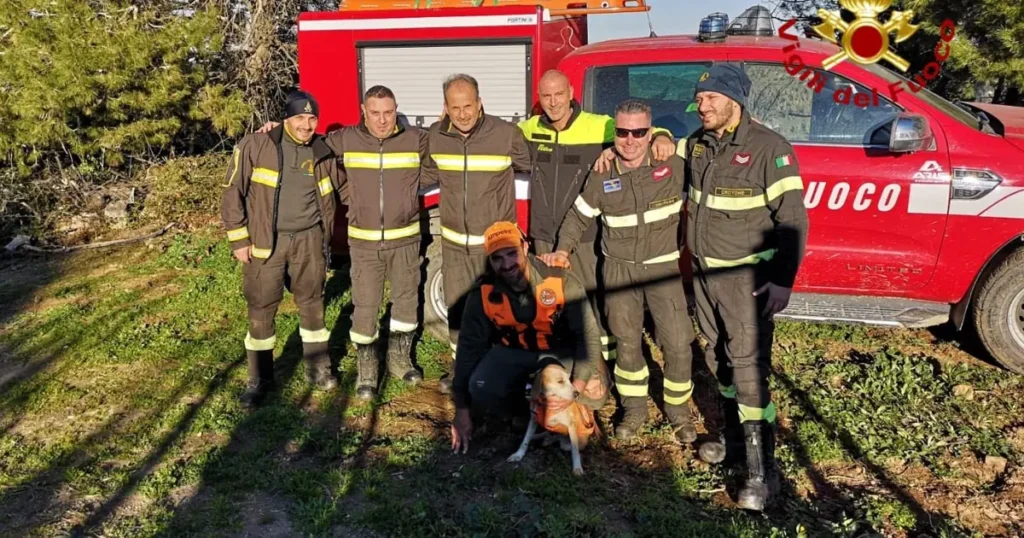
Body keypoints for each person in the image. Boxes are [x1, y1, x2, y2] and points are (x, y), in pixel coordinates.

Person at [680, 63, 809, 511]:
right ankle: (734, 443)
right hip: (706, 278)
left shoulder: (769, 148)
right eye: (699, 99)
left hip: (747, 283)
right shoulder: (698, 145)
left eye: (711, 98)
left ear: (734, 100)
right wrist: (658, 138)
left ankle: (760, 471)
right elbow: (665, 158)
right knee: (720, 361)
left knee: (750, 369)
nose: (702, 105)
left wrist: (782, 280)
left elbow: (792, 220)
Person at [541, 99, 698, 443]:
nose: (630, 140)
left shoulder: (672, 163)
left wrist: (665, 135)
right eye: (623, 132)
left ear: (650, 130)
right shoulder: (602, 173)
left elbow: (708, 145)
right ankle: (635, 408)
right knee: (626, 345)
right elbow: (578, 216)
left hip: (662, 271)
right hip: (618, 271)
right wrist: (562, 250)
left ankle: (678, 412)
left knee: (677, 345)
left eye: (639, 131)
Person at [517, 69, 677, 365]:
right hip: (544, 239)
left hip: (585, 237)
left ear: (571, 94)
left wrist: (664, 136)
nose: (553, 103)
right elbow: (498, 137)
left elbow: (636, 131)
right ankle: (566, 367)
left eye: (559, 95)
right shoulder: (528, 129)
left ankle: (607, 371)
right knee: (552, 306)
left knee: (597, 309)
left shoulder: (599, 126)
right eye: (546, 96)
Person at [221, 90, 343, 407]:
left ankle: (319, 370)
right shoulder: (256, 145)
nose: (307, 124)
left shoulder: (322, 151)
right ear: (286, 119)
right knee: (261, 310)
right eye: (300, 118)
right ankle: (259, 379)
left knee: (313, 306)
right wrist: (238, 238)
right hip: (265, 242)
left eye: (312, 118)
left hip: (309, 241)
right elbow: (232, 191)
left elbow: (344, 185)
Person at [450, 221, 610, 454]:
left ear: (525, 248)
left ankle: (575, 410)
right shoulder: (483, 292)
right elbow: (468, 349)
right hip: (514, 353)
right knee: (480, 386)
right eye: (497, 258)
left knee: (594, 390)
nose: (506, 265)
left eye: (512, 253)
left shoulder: (561, 281)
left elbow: (588, 337)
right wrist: (461, 410)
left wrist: (576, 388)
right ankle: (527, 413)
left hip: (560, 354)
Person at [420, 74, 533, 393]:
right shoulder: (436, 137)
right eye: (455, 107)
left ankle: (504, 371)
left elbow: (527, 167)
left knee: (502, 308)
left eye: (468, 105)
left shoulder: (507, 134)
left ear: (480, 103)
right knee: (459, 309)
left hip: (495, 248)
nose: (463, 113)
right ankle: (462, 367)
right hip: (455, 245)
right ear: (445, 108)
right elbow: (427, 172)